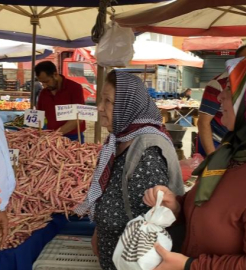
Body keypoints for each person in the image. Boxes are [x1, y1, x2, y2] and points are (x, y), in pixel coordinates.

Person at [144, 53, 246, 270]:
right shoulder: (232, 152)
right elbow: (211, 210)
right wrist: (177, 206)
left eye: (230, 90)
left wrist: (189, 266)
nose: (220, 97)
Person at [75, 70, 184, 270]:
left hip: (135, 259)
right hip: (114, 252)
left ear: (128, 105)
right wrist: (101, 230)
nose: (99, 108)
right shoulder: (120, 139)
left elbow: (154, 216)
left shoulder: (148, 150)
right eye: (101, 100)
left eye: (107, 101)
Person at [197, 44, 246, 156]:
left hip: (245, 142)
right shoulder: (218, 84)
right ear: (236, 62)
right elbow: (203, 122)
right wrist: (211, 157)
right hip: (218, 141)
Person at [35, 61, 86, 142]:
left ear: (55, 75)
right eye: (42, 83)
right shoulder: (43, 93)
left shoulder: (75, 88)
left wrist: (55, 134)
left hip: (73, 137)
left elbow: (78, 118)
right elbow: (39, 117)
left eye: (46, 81)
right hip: (50, 138)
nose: (44, 86)